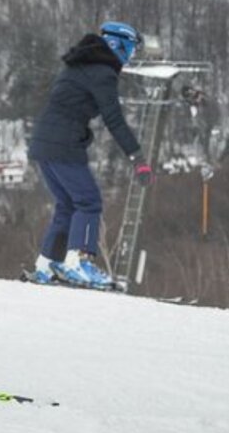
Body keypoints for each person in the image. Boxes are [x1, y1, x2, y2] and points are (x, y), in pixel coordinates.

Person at [25, 22, 145, 290]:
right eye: (132, 50)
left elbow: (69, 106)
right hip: (63, 145)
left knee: (67, 205)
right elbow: (114, 119)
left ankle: (46, 264)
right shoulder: (103, 72)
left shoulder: (80, 64)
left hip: (44, 144)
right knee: (89, 201)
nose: (131, 57)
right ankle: (78, 262)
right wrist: (137, 157)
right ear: (119, 45)